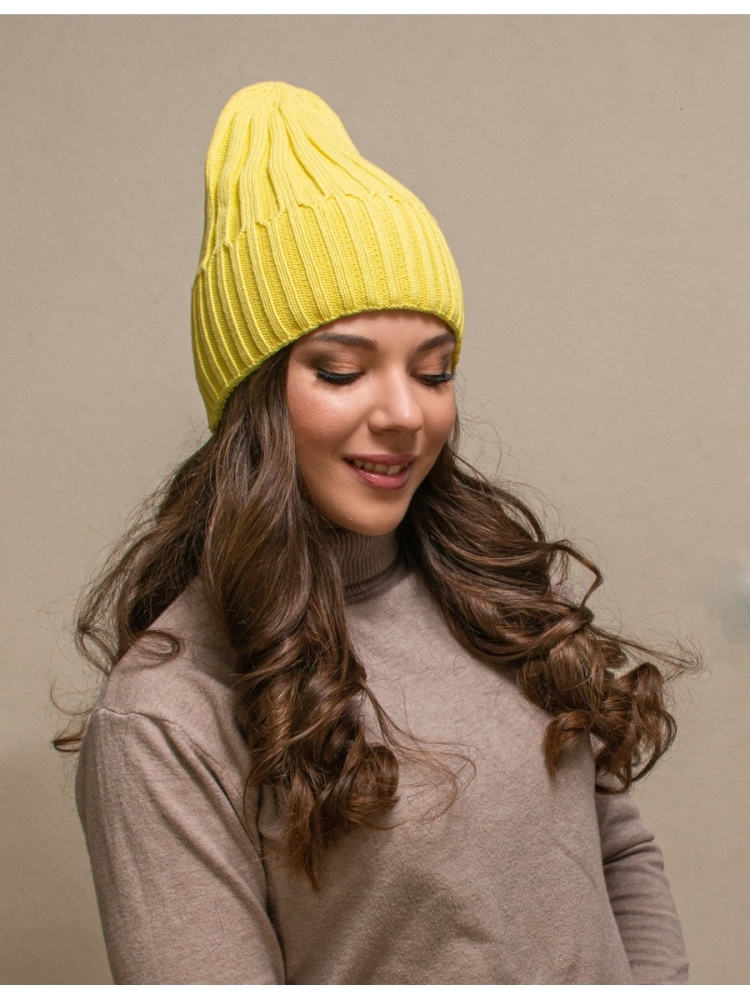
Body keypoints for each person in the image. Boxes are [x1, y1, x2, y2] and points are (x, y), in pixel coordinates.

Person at [58, 82, 691, 985]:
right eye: (342, 371)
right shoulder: (167, 715)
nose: (404, 414)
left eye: (434, 372)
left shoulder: (501, 597)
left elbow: (615, 855)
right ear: (252, 400)